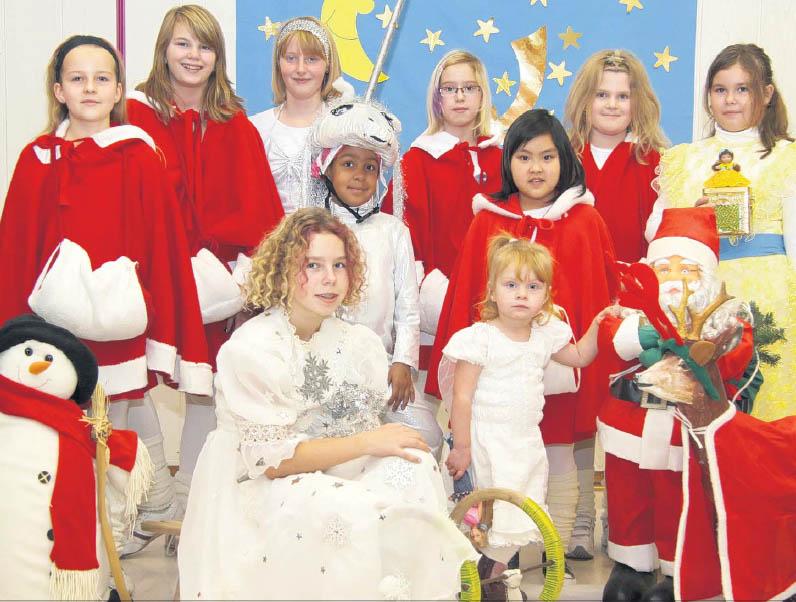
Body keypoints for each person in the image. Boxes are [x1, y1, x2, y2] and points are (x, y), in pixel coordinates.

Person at [178, 208, 477, 600]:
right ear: (282, 270)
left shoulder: (359, 343)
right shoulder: (252, 349)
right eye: (313, 265)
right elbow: (274, 463)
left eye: (339, 265)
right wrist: (369, 443)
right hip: (258, 483)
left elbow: (359, 427)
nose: (330, 278)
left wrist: (380, 444)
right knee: (349, 506)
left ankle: (414, 587)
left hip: (333, 464)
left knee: (414, 464)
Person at [427, 109, 618, 573]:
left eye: (548, 157)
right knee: (498, 462)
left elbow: (597, 288)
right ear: (507, 161)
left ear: (565, 161)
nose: (536, 168)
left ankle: (558, 547)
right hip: (498, 376)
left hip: (556, 359)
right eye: (525, 157)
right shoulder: (487, 223)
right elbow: (468, 295)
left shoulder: (585, 219)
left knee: (558, 452)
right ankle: (495, 558)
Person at [125, 5, 284, 544]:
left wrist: (243, 276)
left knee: (205, 389)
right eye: (183, 43)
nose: (193, 56)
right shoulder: (134, 114)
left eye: (205, 45)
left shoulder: (234, 123)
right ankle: (155, 493)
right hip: (150, 273)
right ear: (164, 49)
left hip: (216, 281)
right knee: (131, 383)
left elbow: (260, 207)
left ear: (218, 56)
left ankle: (188, 505)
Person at [0, 34, 210, 414]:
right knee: (57, 428)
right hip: (50, 326)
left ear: (117, 92)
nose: (90, 88)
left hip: (120, 324)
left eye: (101, 78)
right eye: (77, 79)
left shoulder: (141, 158)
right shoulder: (37, 160)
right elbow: (15, 252)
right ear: (59, 91)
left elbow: (164, 246)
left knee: (117, 427)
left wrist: (161, 315)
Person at [439, 235, 616, 596]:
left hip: (526, 443)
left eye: (533, 287)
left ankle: (493, 578)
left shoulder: (543, 336)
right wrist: (462, 446)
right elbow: (462, 397)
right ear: (492, 291)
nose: (522, 294)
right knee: (487, 519)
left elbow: (581, 356)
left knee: (518, 516)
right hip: (486, 442)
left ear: (546, 295)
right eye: (511, 285)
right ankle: (480, 581)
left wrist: (599, 323)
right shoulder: (480, 338)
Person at [598, 207, 755, 601]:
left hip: (682, 428)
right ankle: (630, 565)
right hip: (629, 422)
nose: (675, 279)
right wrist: (640, 333)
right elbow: (611, 340)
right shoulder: (629, 312)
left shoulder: (727, 319)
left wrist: (700, 347)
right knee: (627, 496)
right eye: (664, 268)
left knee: (677, 499)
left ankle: (674, 569)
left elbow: (735, 358)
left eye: (687, 269)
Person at [645, 43, 795, 422]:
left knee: (767, 405)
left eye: (742, 89)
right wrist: (691, 220)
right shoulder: (683, 159)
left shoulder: (786, 157)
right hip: (699, 303)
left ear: (766, 93)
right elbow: (654, 233)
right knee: (706, 405)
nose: (730, 100)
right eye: (720, 89)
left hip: (769, 299)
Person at [563, 47, 668, 560]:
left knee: (631, 413)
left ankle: (625, 519)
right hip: (576, 303)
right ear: (584, 100)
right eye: (601, 94)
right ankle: (581, 514)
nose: (611, 104)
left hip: (634, 312)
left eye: (622, 96)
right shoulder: (562, 158)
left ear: (638, 102)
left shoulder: (656, 163)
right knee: (578, 417)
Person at [305, 95, 442, 454]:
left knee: (427, 438)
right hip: (325, 367)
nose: (359, 175)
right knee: (330, 440)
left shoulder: (393, 230)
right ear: (327, 168)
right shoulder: (310, 228)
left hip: (384, 367)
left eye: (369, 167)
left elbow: (408, 308)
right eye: (348, 163)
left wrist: (403, 362)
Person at [382, 49, 503, 367]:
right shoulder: (417, 161)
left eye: (469, 88)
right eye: (450, 88)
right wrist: (432, 296)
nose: (460, 97)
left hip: (500, 308)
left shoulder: (504, 158)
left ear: (482, 95)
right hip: (438, 311)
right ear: (437, 97)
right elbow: (402, 241)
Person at [250, 16, 342, 214]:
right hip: (271, 233)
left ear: (327, 65)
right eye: (291, 58)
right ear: (279, 64)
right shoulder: (256, 128)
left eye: (311, 59)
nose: (301, 69)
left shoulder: (342, 126)